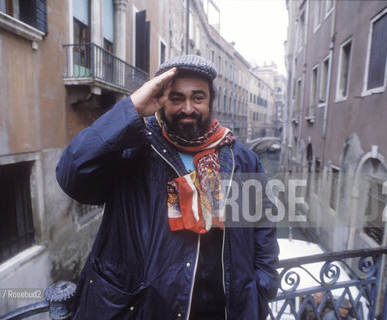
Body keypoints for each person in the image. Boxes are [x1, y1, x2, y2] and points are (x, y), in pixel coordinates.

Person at [56, 55, 279, 319]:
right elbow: (72, 174)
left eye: (198, 97)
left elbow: (261, 227)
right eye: (176, 98)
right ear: (160, 101)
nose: (188, 108)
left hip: (227, 308)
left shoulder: (241, 159)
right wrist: (131, 109)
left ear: (210, 101)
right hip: (148, 309)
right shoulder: (133, 150)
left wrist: (262, 289)